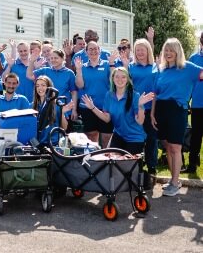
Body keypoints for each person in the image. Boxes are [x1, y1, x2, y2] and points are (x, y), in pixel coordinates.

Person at [152, 38, 203, 196]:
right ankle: (174, 181)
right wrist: (153, 113)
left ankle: (175, 182)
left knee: (176, 147)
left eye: (171, 50)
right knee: (167, 146)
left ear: (178, 51)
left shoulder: (188, 68)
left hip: (177, 110)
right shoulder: (161, 70)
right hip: (161, 109)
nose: (168, 53)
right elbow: (156, 94)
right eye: (166, 50)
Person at [81, 67, 154, 155]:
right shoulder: (109, 95)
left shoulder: (135, 95)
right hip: (118, 135)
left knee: (127, 166)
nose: (120, 79)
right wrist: (92, 107)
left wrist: (140, 105)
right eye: (117, 77)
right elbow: (107, 118)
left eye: (123, 77)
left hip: (134, 137)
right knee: (110, 161)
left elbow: (140, 121)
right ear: (113, 79)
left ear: (127, 79)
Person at [74, 41, 113, 147]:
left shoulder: (107, 64)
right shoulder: (82, 67)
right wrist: (78, 70)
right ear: (86, 52)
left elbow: (113, 83)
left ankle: (106, 160)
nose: (93, 51)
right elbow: (80, 85)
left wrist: (112, 64)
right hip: (87, 107)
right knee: (91, 136)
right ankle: (95, 161)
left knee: (106, 137)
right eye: (90, 49)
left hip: (105, 106)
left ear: (100, 50)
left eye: (95, 49)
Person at [129, 38, 158, 174]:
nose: (140, 52)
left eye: (142, 49)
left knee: (152, 139)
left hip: (151, 108)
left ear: (148, 50)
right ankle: (137, 167)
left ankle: (152, 167)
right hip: (135, 109)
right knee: (137, 138)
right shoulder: (130, 67)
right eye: (137, 50)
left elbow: (158, 89)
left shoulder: (155, 67)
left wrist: (153, 111)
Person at [29, 48, 78, 119]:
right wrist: (31, 62)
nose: (53, 60)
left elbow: (74, 93)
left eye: (56, 58)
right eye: (51, 58)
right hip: (47, 109)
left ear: (62, 58)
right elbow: (30, 76)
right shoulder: (45, 70)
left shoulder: (69, 73)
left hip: (64, 109)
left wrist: (74, 110)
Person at [0, 73, 31, 138]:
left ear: (18, 84)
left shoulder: (22, 100)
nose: (11, 86)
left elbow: (28, 120)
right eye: (9, 83)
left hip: (13, 136)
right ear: (4, 83)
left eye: (14, 83)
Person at [32, 76, 73, 145]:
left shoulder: (57, 104)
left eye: (43, 85)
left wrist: (62, 113)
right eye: (37, 86)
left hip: (53, 143)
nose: (40, 88)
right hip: (38, 143)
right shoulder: (32, 106)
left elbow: (64, 127)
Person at [185, 31, 203, 173]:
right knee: (196, 135)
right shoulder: (193, 58)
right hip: (197, 104)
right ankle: (192, 165)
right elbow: (188, 83)